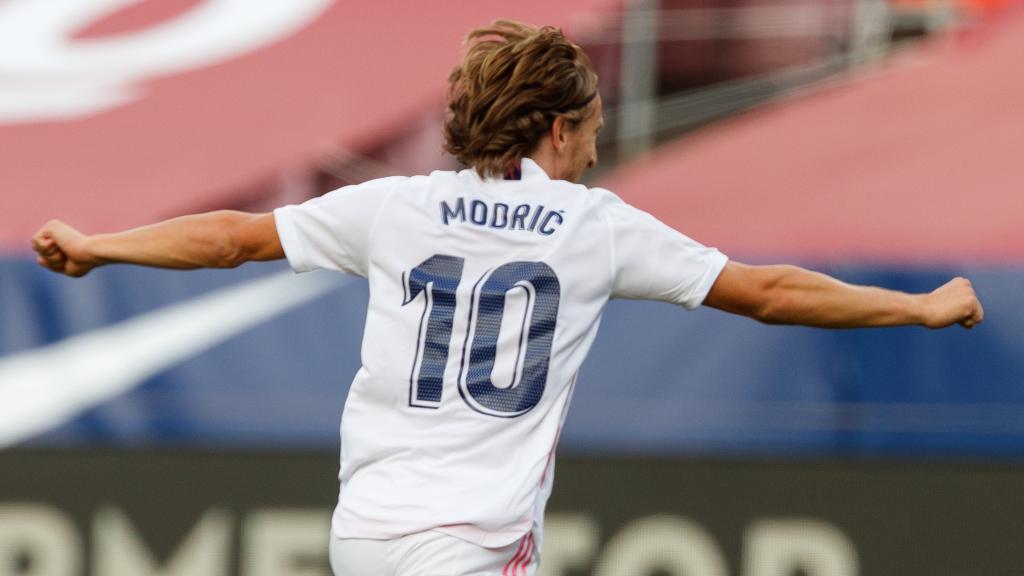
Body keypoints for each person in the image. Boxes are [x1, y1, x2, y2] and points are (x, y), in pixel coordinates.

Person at [32, 20, 982, 576]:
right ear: (561, 129)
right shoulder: (591, 227)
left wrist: (99, 246)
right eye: (596, 128)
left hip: (364, 535)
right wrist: (916, 309)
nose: (600, 147)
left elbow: (235, 236)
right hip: (466, 543)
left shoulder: (396, 207)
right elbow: (768, 293)